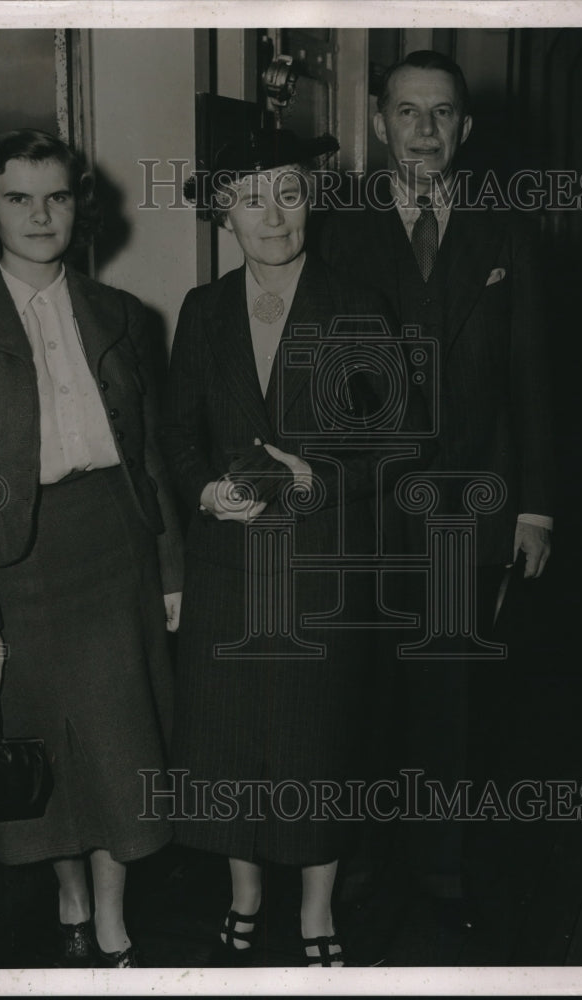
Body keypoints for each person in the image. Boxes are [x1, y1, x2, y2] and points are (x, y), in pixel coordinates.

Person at [0, 128, 183, 968]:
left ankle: (108, 912)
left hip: (113, 547)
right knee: (44, 751)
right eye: (17, 197)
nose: (39, 213)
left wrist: (171, 569)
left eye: (56, 195)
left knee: (119, 743)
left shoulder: (120, 315)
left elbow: (149, 454)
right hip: (15, 566)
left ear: (77, 205)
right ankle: (66, 888)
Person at [163, 127, 424, 967]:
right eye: (249, 199)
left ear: (310, 200)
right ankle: (243, 897)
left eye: (286, 193)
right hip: (228, 569)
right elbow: (176, 438)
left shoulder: (355, 300)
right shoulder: (202, 310)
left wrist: (318, 477)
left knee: (320, 744)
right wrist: (204, 490)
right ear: (222, 217)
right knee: (232, 742)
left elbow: (398, 440)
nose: (271, 215)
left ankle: (316, 914)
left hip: (320, 566)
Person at [319, 50, 555, 923]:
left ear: (465, 127)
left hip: (470, 502)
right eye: (407, 112)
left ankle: (441, 860)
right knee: (358, 683)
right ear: (378, 124)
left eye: (442, 114)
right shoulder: (334, 226)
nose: (424, 130)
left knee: (448, 687)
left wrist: (534, 506)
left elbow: (532, 378)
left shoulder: (503, 230)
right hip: (362, 502)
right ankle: (354, 856)